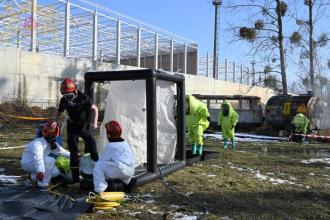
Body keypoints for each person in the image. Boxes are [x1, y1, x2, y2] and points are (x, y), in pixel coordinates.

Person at [53, 78, 99, 183]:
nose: (68, 99)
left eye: (70, 96)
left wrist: (95, 123)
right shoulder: (64, 100)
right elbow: (59, 111)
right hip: (72, 127)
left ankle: (97, 173)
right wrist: (55, 121)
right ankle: (75, 179)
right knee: (73, 154)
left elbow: (95, 109)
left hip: (85, 126)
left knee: (93, 149)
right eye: (66, 96)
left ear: (75, 91)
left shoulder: (84, 97)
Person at [21, 121, 70, 188]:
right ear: (44, 133)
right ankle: (43, 184)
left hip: (36, 163)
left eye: (53, 134)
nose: (51, 136)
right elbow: (38, 158)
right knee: (50, 160)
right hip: (28, 163)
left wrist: (75, 156)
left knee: (57, 171)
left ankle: (33, 177)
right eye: (49, 133)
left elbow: (61, 152)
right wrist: (40, 171)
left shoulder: (51, 143)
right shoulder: (38, 143)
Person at [93, 120, 135, 193]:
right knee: (116, 165)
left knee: (98, 166)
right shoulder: (125, 143)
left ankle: (100, 189)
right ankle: (127, 183)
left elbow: (103, 161)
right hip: (130, 172)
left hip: (121, 171)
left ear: (109, 135)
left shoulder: (110, 146)